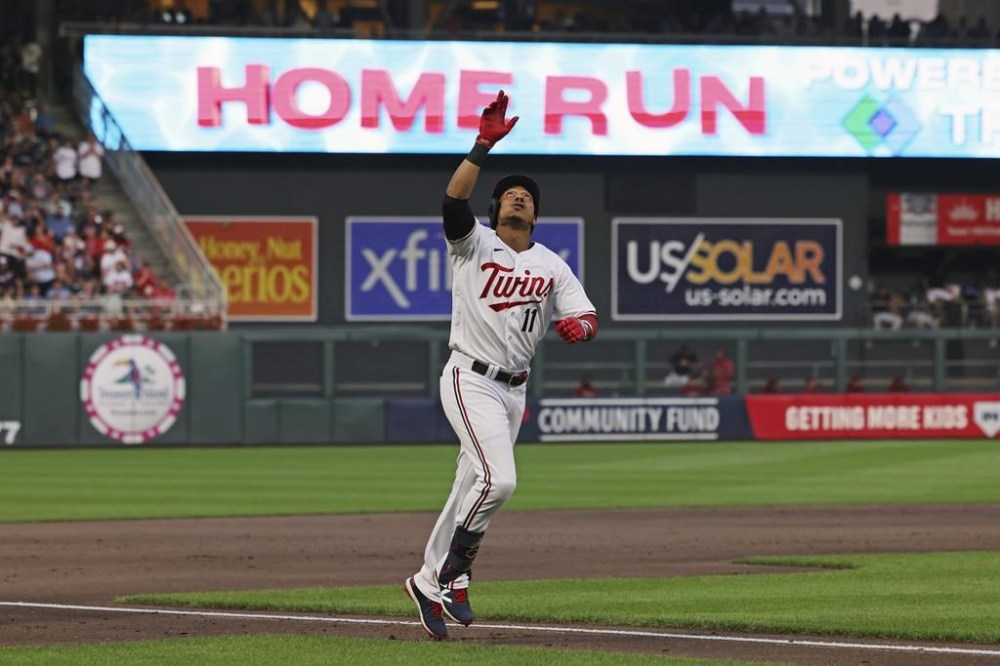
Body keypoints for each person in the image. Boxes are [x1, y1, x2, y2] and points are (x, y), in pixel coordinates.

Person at [404, 90, 598, 641]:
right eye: (509, 194)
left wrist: (579, 329)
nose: (518, 198)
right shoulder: (473, 244)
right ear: (494, 210)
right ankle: (456, 572)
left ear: (536, 214)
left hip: (514, 390)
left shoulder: (551, 264)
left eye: (526, 196)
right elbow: (452, 201)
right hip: (470, 376)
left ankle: (427, 581)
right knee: (500, 480)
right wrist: (481, 146)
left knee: (467, 488)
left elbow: (586, 315)